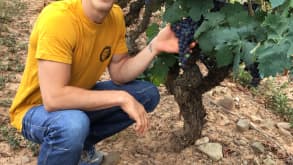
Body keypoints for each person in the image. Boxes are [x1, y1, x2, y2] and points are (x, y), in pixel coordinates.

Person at [9, 0, 195, 164]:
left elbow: (120, 72)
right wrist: (121, 97)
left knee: (146, 94)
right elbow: (54, 99)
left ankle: (77, 149)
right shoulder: (58, 19)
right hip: (35, 110)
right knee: (73, 124)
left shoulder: (114, 17)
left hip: (74, 103)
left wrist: (154, 47)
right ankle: (68, 142)